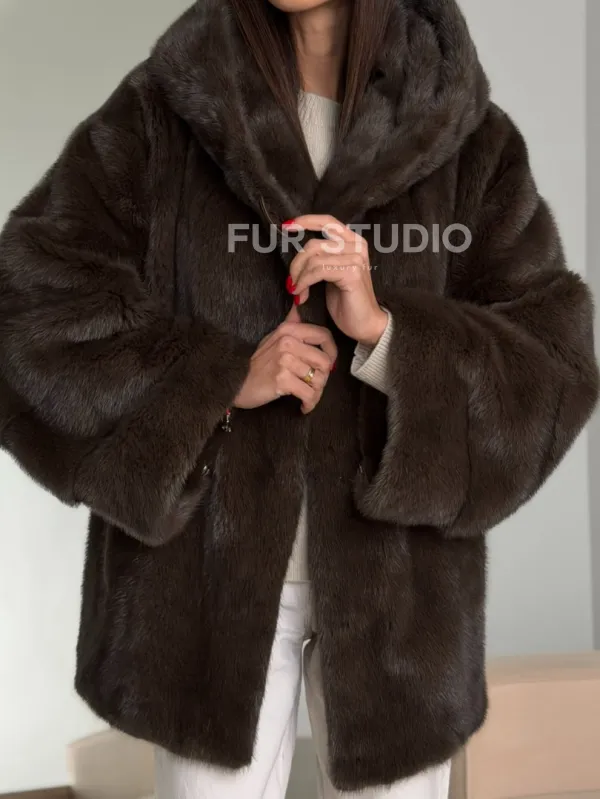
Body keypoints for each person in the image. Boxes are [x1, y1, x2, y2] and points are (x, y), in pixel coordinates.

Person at [0, 1, 597, 797]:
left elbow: (551, 363)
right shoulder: (168, 109)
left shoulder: (463, 135)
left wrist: (386, 333)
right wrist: (216, 379)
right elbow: (29, 302)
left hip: (400, 598)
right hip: (202, 590)